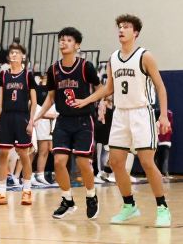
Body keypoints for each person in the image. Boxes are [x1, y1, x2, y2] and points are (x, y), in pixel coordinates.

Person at [72, 14, 171, 227]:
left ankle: (163, 207)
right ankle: (129, 205)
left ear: (135, 32)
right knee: (115, 162)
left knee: (146, 162)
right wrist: (86, 100)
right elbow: (108, 89)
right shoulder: (113, 58)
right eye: (119, 26)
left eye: (126, 26)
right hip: (120, 113)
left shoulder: (145, 56)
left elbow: (161, 87)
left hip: (141, 113)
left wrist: (162, 115)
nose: (121, 29)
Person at [31, 27, 101, 220]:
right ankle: (67, 200)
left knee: (83, 162)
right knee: (59, 161)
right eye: (61, 39)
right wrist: (38, 115)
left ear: (77, 45)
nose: (63, 42)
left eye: (68, 40)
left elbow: (101, 89)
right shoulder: (54, 69)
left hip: (84, 120)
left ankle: (91, 195)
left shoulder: (86, 67)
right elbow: (51, 97)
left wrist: (87, 102)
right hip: (63, 120)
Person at [0, 43, 37, 207]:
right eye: (12, 53)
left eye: (17, 53)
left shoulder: (27, 76)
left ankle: (27, 191)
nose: (14, 55)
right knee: (3, 154)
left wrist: (31, 122)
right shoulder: (3, 75)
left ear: (23, 56)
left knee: (24, 154)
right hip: (7, 118)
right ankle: (1, 193)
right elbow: (1, 100)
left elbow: (34, 101)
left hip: (22, 117)